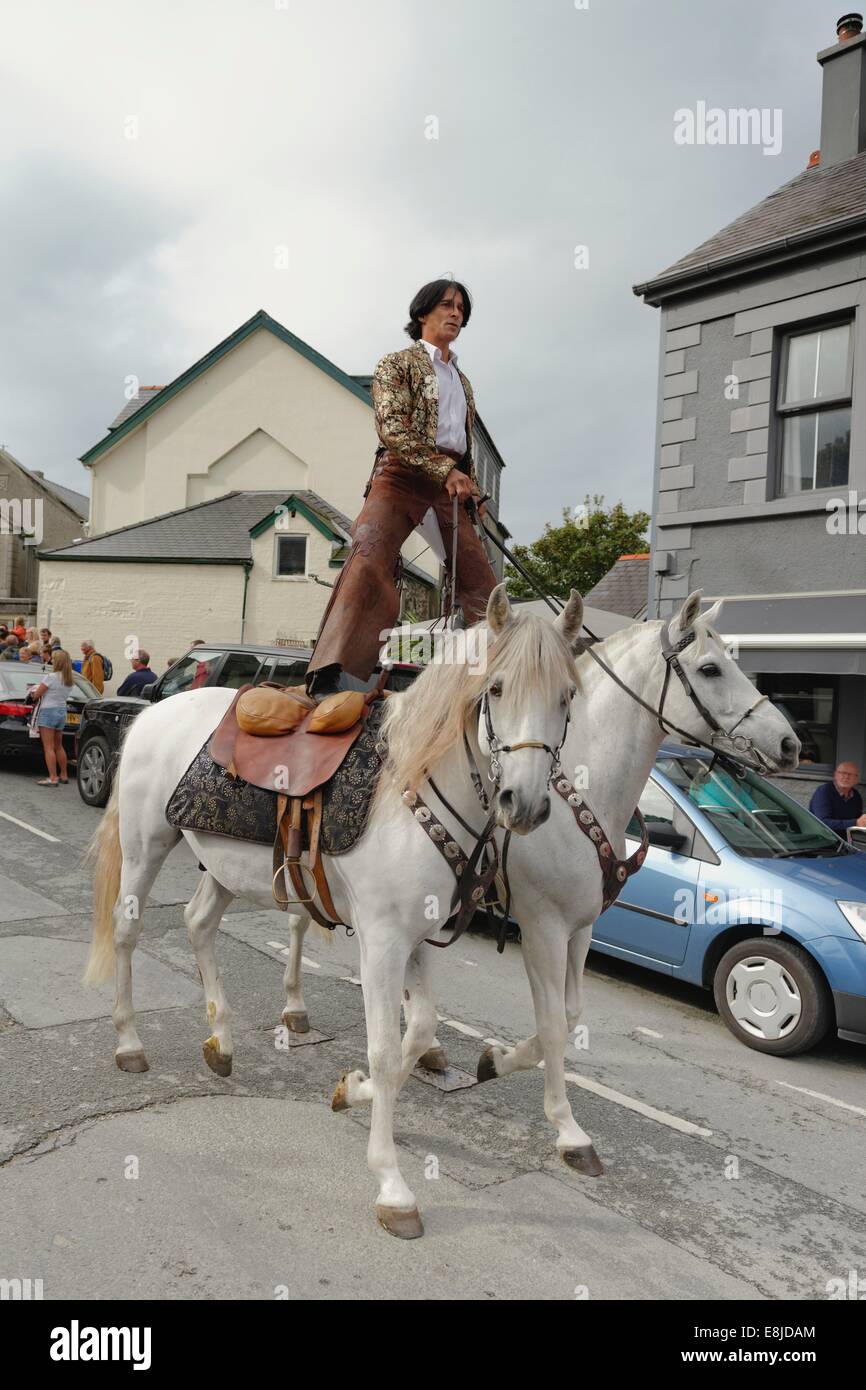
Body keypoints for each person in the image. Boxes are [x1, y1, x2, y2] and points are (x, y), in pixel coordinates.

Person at [304, 277, 497, 699]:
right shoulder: (397, 363)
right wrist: (444, 470)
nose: (456, 313)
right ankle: (328, 671)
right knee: (368, 555)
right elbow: (393, 428)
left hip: (448, 483)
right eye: (447, 305)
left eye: (462, 308)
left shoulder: (463, 383)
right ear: (422, 313)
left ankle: (496, 674)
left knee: (481, 582)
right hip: (400, 474)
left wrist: (475, 492)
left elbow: (463, 448)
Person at [30, 649, 76, 785]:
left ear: (59, 662)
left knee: (48, 747)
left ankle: (52, 777)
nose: (52, 661)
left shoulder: (51, 677)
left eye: (54, 659)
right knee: (58, 745)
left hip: (48, 711)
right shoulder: (70, 679)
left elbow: (37, 695)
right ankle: (64, 775)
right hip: (61, 711)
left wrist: (32, 693)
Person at [809, 762, 866, 835]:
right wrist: (855, 823)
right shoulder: (824, 791)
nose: (846, 777)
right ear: (835, 775)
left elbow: (858, 819)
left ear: (857, 779)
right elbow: (822, 823)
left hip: (845, 841)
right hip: (823, 839)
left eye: (850, 774)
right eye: (843, 773)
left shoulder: (856, 796)